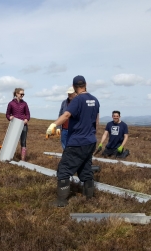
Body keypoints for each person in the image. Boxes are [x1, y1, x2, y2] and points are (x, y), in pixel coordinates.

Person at [46, 75, 100, 207]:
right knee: (85, 168)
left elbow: (66, 115)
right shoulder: (95, 100)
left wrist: (54, 125)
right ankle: (89, 198)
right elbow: (96, 121)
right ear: (85, 84)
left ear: (75, 87)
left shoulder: (77, 99)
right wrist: (92, 134)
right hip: (90, 141)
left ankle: (61, 201)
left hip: (77, 141)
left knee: (64, 169)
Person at [6, 88, 30, 161]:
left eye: (23, 94)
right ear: (16, 94)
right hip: (14, 125)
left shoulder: (25, 104)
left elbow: (28, 114)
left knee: (23, 141)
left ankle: (23, 159)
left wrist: (26, 119)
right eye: (21, 94)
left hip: (23, 125)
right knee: (12, 141)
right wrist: (10, 117)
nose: (22, 95)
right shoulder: (11, 103)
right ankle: (8, 157)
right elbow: (7, 114)